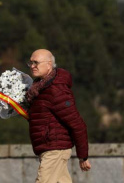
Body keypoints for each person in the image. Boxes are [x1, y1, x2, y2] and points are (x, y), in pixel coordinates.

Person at [25, 49, 91, 183]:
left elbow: (77, 123)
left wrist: (83, 156)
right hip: (49, 147)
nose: (32, 66)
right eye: (31, 63)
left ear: (49, 65)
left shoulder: (56, 90)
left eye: (36, 62)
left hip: (55, 149)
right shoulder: (38, 89)